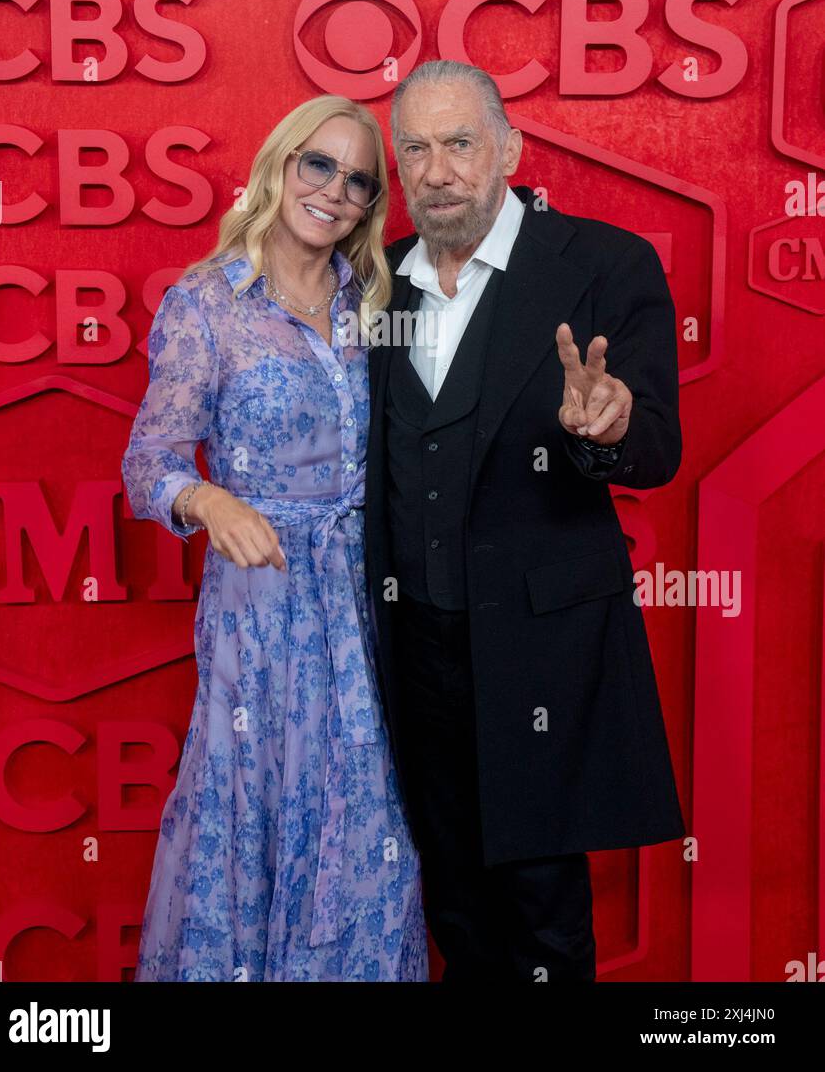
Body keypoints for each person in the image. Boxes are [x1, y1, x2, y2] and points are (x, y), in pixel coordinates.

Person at [363, 59, 687, 982]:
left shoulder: (602, 264)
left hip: (541, 649)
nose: (438, 171)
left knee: (544, 911)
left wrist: (608, 424)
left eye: (461, 143)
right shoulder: (378, 283)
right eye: (415, 148)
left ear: (509, 149)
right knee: (453, 904)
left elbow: (656, 447)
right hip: (412, 646)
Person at [122, 94, 428, 982]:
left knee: (367, 824)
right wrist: (209, 502)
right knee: (252, 809)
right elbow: (149, 459)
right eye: (319, 164)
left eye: (360, 179)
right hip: (258, 611)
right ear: (280, 165)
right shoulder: (206, 302)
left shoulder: (376, 303)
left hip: (368, 607)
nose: (336, 189)